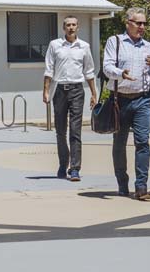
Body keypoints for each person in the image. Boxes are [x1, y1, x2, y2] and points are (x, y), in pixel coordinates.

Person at [103, 7, 150, 201]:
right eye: (138, 23)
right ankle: (122, 183)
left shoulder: (149, 46)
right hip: (119, 100)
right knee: (119, 144)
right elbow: (107, 68)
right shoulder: (116, 42)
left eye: (144, 23)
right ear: (127, 23)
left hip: (142, 100)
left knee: (143, 142)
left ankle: (141, 186)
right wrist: (121, 73)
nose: (142, 27)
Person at [43, 16, 97, 182]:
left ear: (78, 27)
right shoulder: (55, 45)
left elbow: (89, 71)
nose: (71, 28)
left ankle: (75, 168)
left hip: (77, 90)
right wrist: (46, 90)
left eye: (73, 25)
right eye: (68, 25)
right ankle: (62, 163)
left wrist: (94, 93)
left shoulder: (84, 47)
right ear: (63, 28)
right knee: (60, 131)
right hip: (59, 90)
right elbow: (49, 68)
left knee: (75, 130)